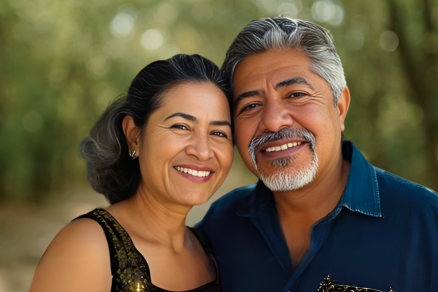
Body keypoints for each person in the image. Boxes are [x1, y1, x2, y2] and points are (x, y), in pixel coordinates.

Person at [196, 17, 438, 292]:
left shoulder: (427, 225)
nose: (274, 121)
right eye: (251, 105)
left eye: (296, 94)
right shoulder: (221, 226)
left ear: (340, 107)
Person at [30, 54, 233, 292]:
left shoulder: (211, 252)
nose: (202, 151)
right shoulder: (88, 247)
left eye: (219, 133)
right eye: (181, 126)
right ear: (134, 135)